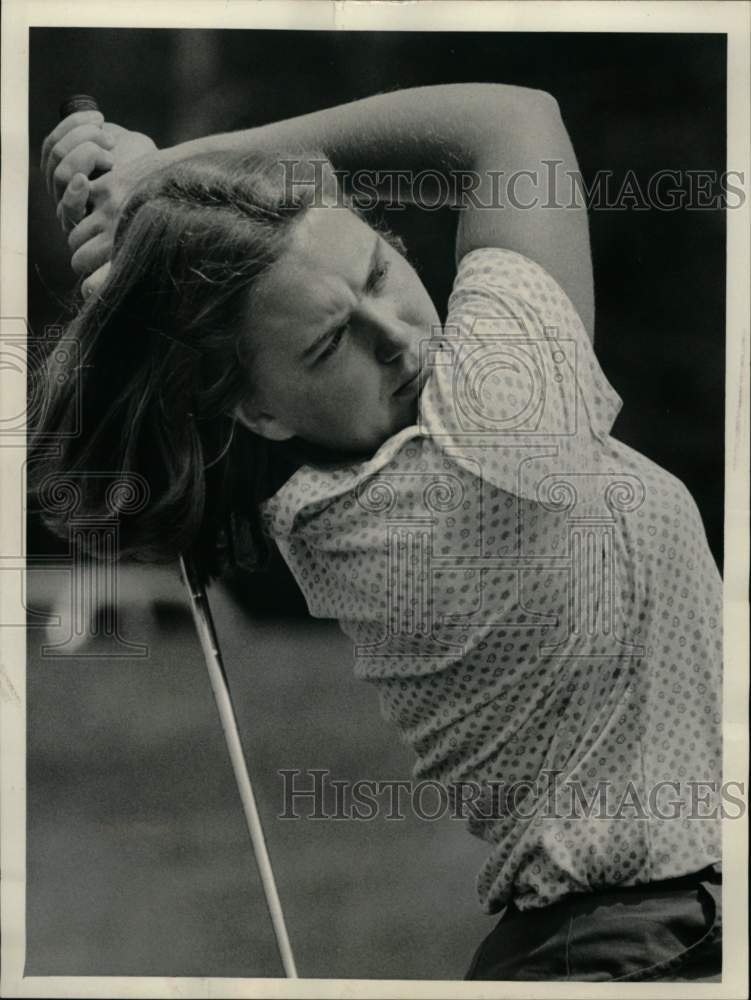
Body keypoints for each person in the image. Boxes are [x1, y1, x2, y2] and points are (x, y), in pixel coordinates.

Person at [36, 84, 723, 982]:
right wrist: (183, 165)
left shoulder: (326, 498)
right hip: (653, 950)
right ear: (259, 410)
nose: (396, 338)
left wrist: (162, 207)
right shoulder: (491, 442)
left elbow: (244, 305)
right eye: (332, 346)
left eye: (379, 275)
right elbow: (513, 122)